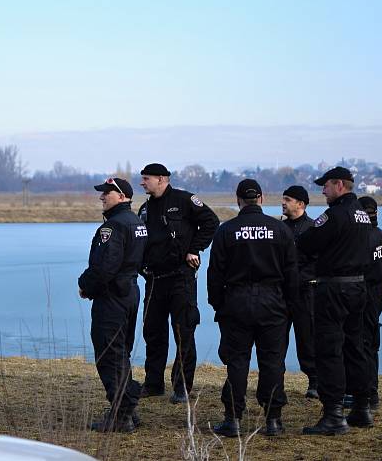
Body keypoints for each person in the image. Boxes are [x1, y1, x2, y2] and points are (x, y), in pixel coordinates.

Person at [206, 179, 298, 437]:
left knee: (237, 362)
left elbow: (214, 275)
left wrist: (219, 305)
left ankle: (233, 419)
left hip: (236, 302)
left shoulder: (226, 231)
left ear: (238, 200)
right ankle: (273, 420)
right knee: (272, 362)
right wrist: (290, 306)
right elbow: (292, 273)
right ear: (261, 198)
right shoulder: (280, 230)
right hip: (273, 303)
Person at [298, 166, 373, 434]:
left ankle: (333, 415)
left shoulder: (335, 214)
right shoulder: (363, 214)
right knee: (356, 346)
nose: (323, 190)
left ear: (340, 185)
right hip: (358, 287)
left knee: (329, 350)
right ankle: (362, 408)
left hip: (334, 289)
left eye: (326, 185)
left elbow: (307, 243)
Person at [138, 163, 220, 404]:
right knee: (152, 332)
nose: (142, 182)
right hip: (154, 280)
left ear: (161, 179)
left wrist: (194, 249)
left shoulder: (185, 200)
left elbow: (211, 223)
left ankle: (182, 387)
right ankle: (153, 384)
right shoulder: (144, 209)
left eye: (146, 178)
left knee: (183, 332)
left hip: (180, 279)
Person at [79, 177, 147, 433]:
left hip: (112, 297)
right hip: (130, 292)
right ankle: (128, 408)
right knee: (121, 352)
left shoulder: (114, 227)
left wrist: (86, 285)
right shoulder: (137, 222)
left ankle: (121, 415)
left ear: (122, 196)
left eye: (106, 193)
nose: (102, 197)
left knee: (109, 354)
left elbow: (104, 266)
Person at [281, 185, 319, 399]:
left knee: (308, 338)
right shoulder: (279, 228)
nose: (283, 202)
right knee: (277, 340)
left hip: (306, 292)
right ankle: (276, 380)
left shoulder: (314, 229)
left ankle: (314, 381)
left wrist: (297, 278)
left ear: (301, 204)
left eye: (288, 199)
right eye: (283, 199)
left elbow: (318, 262)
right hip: (281, 293)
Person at [358, 196, 382, 411]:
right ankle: (372, 392)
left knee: (361, 344)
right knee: (371, 342)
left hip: (364, 293)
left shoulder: (361, 240)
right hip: (379, 292)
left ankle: (367, 394)